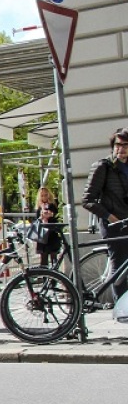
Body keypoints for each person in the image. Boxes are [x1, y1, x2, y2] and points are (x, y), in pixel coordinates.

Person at [81, 126, 128, 293]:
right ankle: (122, 312)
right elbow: (87, 200)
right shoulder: (103, 167)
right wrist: (111, 217)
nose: (120, 149)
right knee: (120, 269)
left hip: (127, 222)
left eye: (125, 145)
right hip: (114, 225)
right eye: (117, 145)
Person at [33, 186, 62, 268]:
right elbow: (37, 219)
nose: (44, 197)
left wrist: (50, 214)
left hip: (52, 234)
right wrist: (42, 216)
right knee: (44, 258)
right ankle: (44, 277)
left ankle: (55, 277)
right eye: (42, 195)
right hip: (43, 235)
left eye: (46, 195)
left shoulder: (52, 206)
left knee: (54, 257)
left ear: (49, 195)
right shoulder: (39, 207)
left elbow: (55, 217)